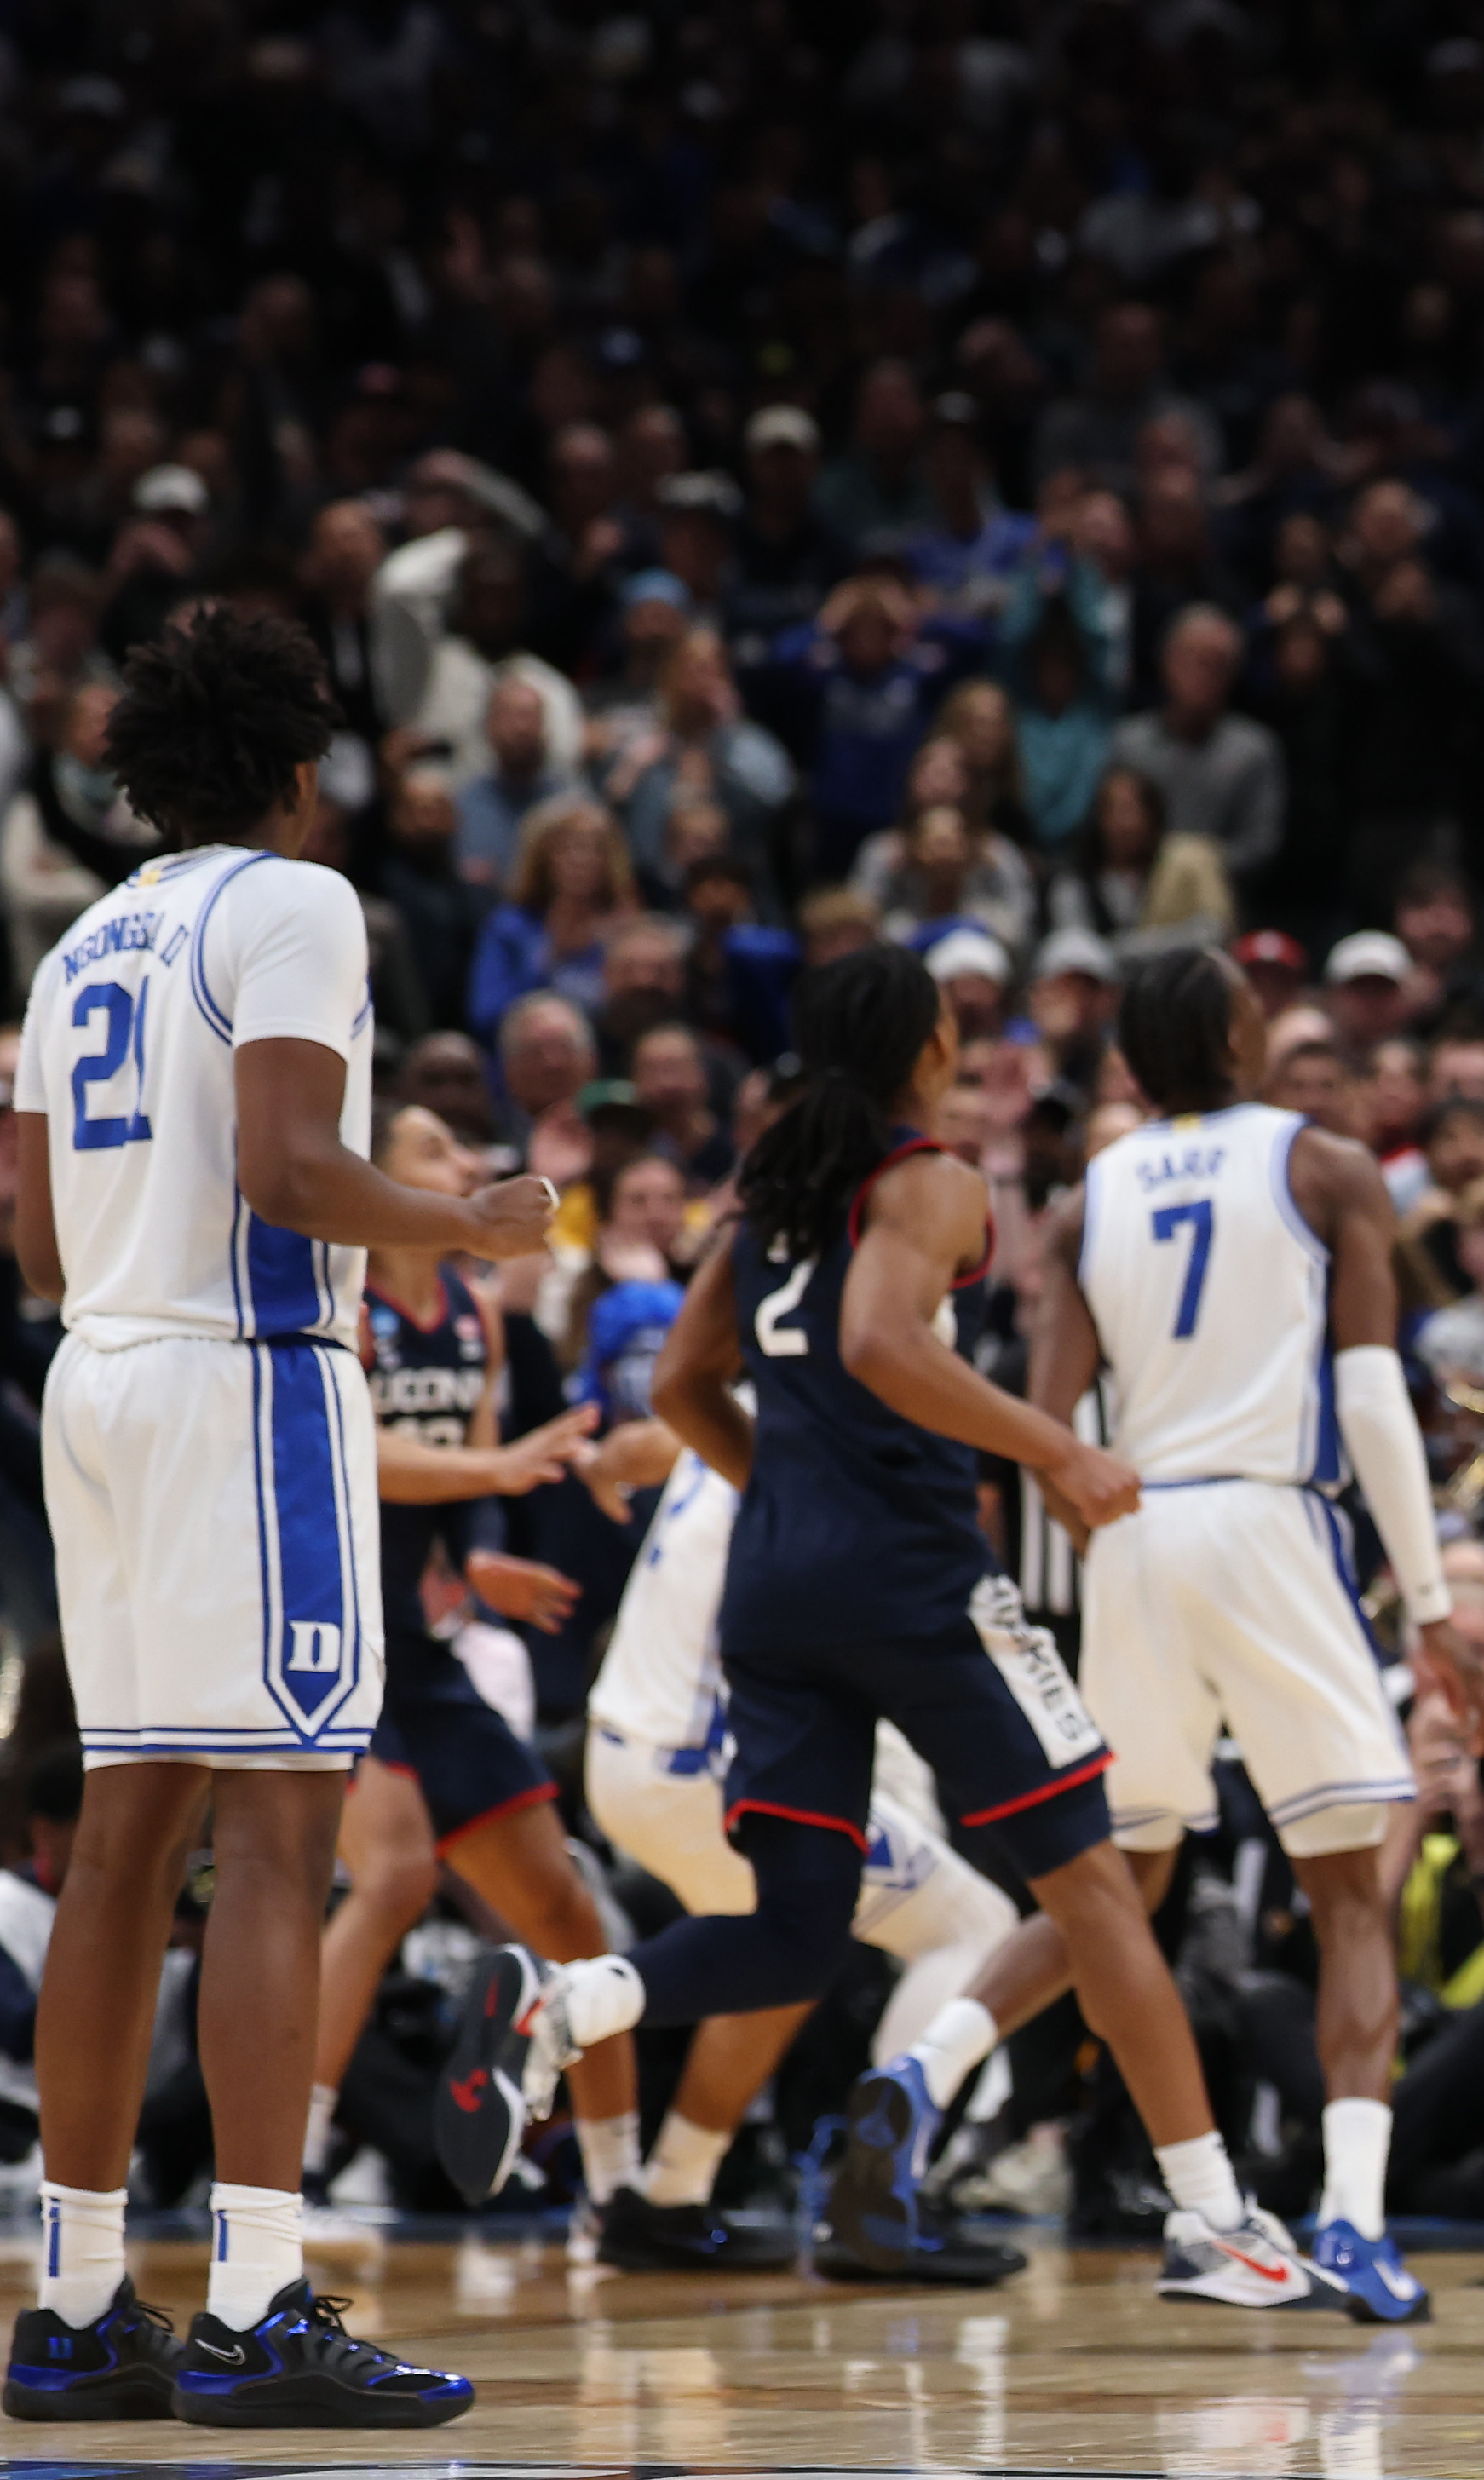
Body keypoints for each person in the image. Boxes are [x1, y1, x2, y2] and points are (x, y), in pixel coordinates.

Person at [434, 942, 1343, 2313]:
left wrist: (795, 1491)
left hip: (778, 1589)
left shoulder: (773, 1196)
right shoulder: (933, 1182)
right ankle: (1218, 2219)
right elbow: (876, 1341)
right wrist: (1054, 1448)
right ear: (925, 1047)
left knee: (797, 1932)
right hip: (922, 1586)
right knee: (1098, 1887)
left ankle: (563, 2011)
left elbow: (683, 1387)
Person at [0, 603, 551, 2425]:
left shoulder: (83, 937)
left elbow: (32, 1244)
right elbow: (293, 1168)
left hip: (99, 1376)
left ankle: (78, 2299)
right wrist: (464, 1225)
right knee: (280, 1836)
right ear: (300, 774)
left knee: (121, 1835)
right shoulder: (295, 903)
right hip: (245, 1374)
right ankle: (254, 2294)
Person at [1026, 944, 1484, 2321]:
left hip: (1126, 1536)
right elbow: (1368, 1408)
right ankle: (1350, 2221)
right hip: (1267, 1522)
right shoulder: (1323, 1165)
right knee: (1348, 1884)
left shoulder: (1086, 1195)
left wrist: (1083, 1603)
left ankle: (938, 2080)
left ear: (1127, 1063)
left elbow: (1055, 1442)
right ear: (1240, 1035)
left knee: (1119, 1883)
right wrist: (1425, 1608)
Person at [307, 1104, 660, 2254]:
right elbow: (357, 1451)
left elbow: (457, 1480)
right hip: (331, 1630)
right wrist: (498, 1467)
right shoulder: (340, 1295)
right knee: (399, 1871)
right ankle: (286, 2158)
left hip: (425, 1642)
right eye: (437, 1151)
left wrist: (481, 1556)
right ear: (378, 1177)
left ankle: (618, 2190)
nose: (466, 1165)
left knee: (567, 1905)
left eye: (463, 1150)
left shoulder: (472, 1311)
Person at [575, 1439, 1021, 2268]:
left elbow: (646, 1437)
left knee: (791, 1943)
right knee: (975, 1924)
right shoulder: (824, 1450)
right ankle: (881, 2197)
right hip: (702, 1768)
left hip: (622, 1749)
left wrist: (606, 1460)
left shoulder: (731, 1408)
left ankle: (670, 2193)